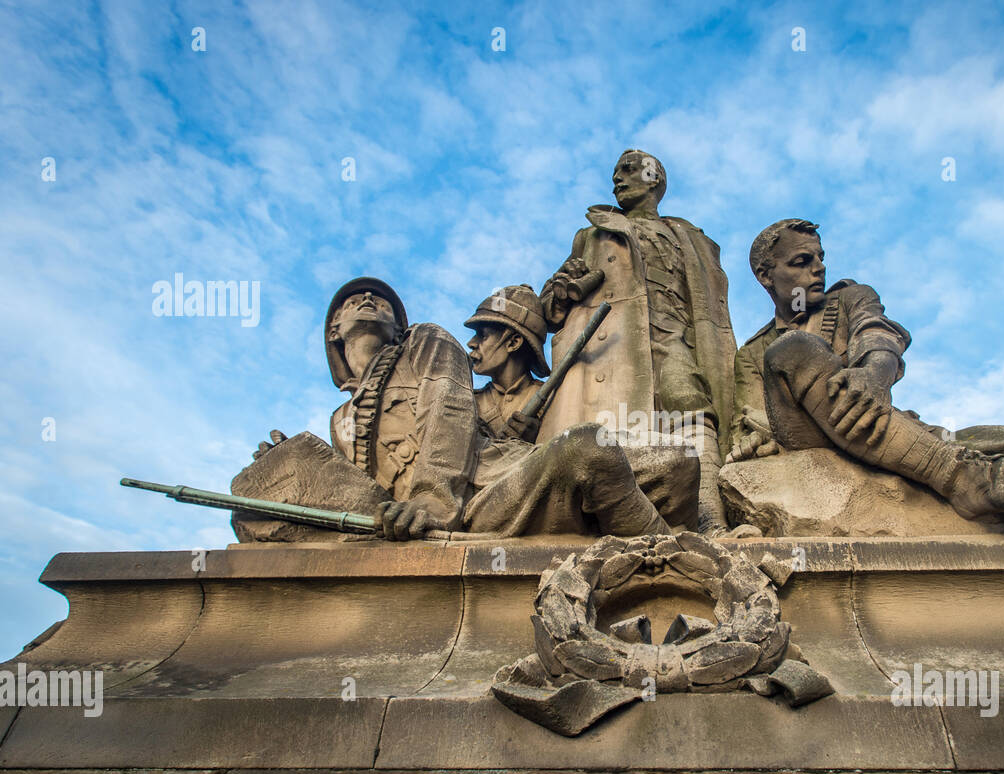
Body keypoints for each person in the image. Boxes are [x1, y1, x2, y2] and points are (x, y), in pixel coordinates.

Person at [247, 277, 696, 540]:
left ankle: (671, 551)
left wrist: (431, 499)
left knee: (679, 465)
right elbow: (360, 493)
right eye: (350, 302)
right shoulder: (340, 422)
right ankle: (667, 569)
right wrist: (296, 466)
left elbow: (448, 411)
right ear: (334, 332)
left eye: (380, 300)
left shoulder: (425, 341)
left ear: (399, 324)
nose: (366, 300)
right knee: (590, 451)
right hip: (462, 513)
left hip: (466, 491)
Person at [731, 220, 1004, 519]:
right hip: (809, 439)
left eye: (820, 258)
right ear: (766, 275)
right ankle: (964, 481)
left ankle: (963, 464)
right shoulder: (753, 352)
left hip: (884, 424)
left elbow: (876, 332)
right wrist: (753, 441)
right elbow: (755, 420)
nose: (819, 268)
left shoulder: (849, 297)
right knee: (794, 349)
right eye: (802, 261)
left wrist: (875, 373)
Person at [537, 149, 738, 533]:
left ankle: (711, 522)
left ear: (655, 178)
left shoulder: (690, 237)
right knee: (620, 429)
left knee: (691, 406)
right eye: (615, 172)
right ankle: (624, 523)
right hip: (618, 349)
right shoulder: (592, 235)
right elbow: (553, 306)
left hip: (677, 336)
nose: (617, 178)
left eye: (628, 170)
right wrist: (563, 287)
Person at [465, 284, 548, 442]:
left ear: (513, 342)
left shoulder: (551, 399)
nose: (471, 343)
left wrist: (539, 438)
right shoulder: (469, 402)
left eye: (482, 335)